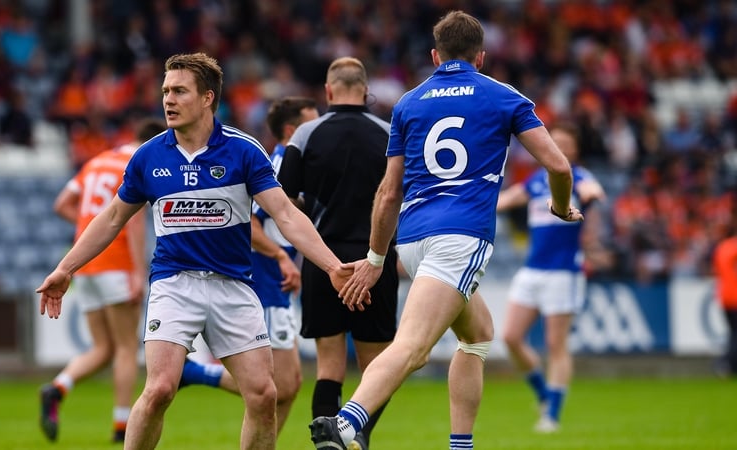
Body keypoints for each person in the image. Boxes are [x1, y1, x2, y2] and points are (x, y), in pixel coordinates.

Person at [36, 52, 353, 450]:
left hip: (233, 286)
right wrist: (65, 268)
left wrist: (332, 266)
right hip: (174, 284)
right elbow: (113, 217)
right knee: (159, 389)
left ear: (207, 98)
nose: (168, 99)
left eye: (179, 91)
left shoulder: (243, 150)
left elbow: (286, 215)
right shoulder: (149, 155)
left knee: (264, 394)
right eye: (165, 91)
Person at [317, 11, 583, 450]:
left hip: (412, 239)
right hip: (460, 236)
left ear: (435, 56)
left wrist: (377, 258)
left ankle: (461, 445)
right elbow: (558, 166)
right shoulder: (502, 96)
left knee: (478, 335)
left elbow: (389, 192)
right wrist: (558, 206)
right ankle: (345, 424)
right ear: (481, 57)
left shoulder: (409, 102)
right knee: (413, 346)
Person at [276, 56, 400, 450]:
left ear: (328, 91)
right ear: (365, 91)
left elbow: (284, 201)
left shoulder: (305, 134)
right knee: (376, 368)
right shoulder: (389, 133)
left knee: (328, 366)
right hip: (374, 260)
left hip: (323, 261)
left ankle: (328, 443)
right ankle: (357, 437)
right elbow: (402, 195)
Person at [177, 96, 319, 438]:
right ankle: (195, 373)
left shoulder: (295, 167)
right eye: (311, 125)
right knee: (278, 385)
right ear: (291, 131)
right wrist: (282, 257)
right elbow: (250, 225)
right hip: (266, 281)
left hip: (276, 282)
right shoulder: (279, 166)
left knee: (288, 385)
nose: (318, 131)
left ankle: (195, 375)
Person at [38, 117, 165, 443]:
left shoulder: (97, 161)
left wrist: (88, 228)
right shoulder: (141, 162)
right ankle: (121, 425)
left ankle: (57, 387)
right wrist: (138, 273)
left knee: (103, 348)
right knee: (126, 347)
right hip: (117, 263)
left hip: (86, 265)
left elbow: (62, 204)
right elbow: (133, 223)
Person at [496, 122, 606, 433]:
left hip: (563, 272)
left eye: (566, 144)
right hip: (532, 270)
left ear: (575, 150)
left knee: (555, 344)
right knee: (511, 337)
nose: (560, 149)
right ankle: (544, 394)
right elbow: (506, 199)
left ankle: (552, 415)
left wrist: (589, 195)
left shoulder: (579, 177)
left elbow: (593, 191)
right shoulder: (537, 179)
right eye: (555, 142)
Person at [712, 214, 737, 378]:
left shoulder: (722, 247)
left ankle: (728, 363)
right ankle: (726, 363)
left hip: (725, 296)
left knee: (733, 332)